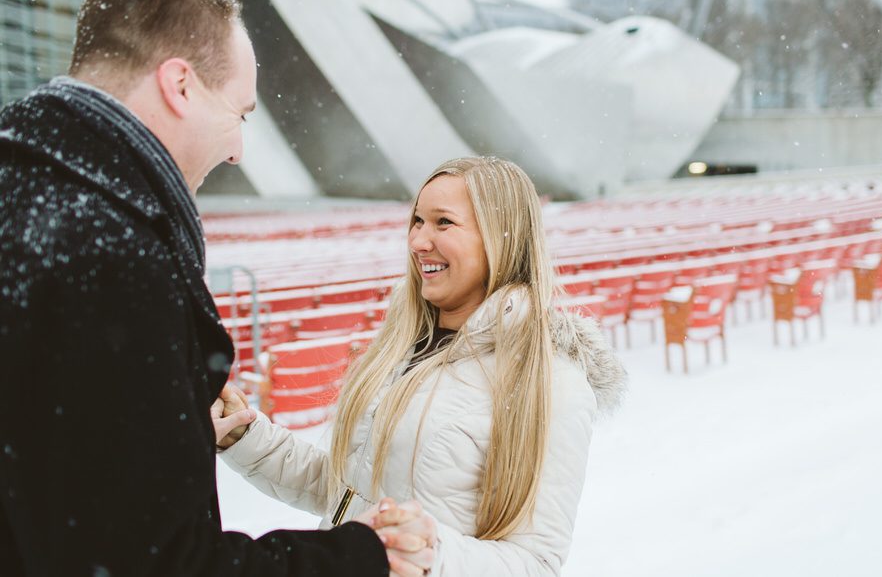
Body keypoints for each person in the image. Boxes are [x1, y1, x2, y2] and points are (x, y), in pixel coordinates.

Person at [0, 0, 433, 575]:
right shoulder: (110, 259)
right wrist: (355, 559)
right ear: (179, 85)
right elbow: (149, 564)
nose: (237, 151)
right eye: (240, 112)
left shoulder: (33, 199)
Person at [214, 157, 626, 575]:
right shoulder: (403, 346)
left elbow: (535, 563)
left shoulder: (552, 381)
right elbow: (352, 494)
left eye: (443, 222)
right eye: (417, 221)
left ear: (501, 238)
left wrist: (431, 554)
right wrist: (248, 437)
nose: (418, 241)